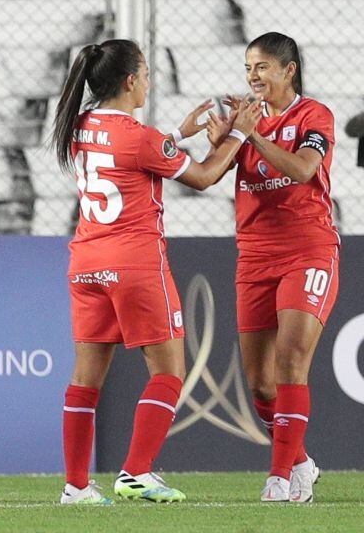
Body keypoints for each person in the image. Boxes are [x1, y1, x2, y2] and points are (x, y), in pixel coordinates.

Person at [51, 39, 261, 505]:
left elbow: (130, 152)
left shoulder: (79, 126)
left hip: (86, 262)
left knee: (85, 378)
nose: (148, 81)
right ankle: (137, 472)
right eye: (145, 74)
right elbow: (204, 176)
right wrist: (240, 134)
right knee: (168, 371)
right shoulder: (140, 138)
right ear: (130, 81)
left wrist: (175, 136)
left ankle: (76, 485)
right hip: (134, 263)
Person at [222, 33, 339, 503]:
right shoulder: (244, 120)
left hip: (307, 249)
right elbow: (208, 173)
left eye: (263, 67)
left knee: (291, 359)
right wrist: (220, 137)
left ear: (289, 70)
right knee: (260, 383)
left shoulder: (314, 115)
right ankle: (301, 462)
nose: (253, 77)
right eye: (249, 67)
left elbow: (304, 170)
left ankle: (281, 479)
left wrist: (250, 134)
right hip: (254, 254)